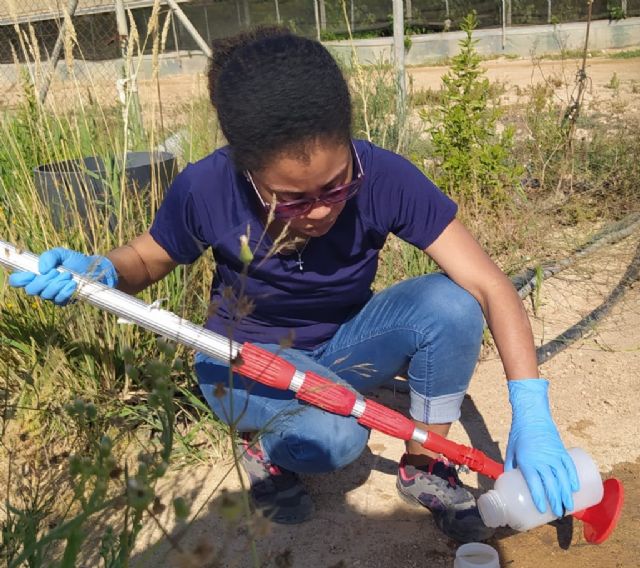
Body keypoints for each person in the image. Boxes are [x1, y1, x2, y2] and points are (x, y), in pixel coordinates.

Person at [9, 27, 579, 543]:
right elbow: (147, 258)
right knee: (337, 439)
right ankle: (264, 448)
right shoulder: (207, 187)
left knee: (451, 303)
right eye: (291, 199)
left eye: (336, 186)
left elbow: (489, 285)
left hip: (340, 348)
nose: (320, 210)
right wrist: (104, 271)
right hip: (241, 360)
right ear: (247, 170)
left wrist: (533, 413)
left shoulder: (384, 176)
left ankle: (426, 466)